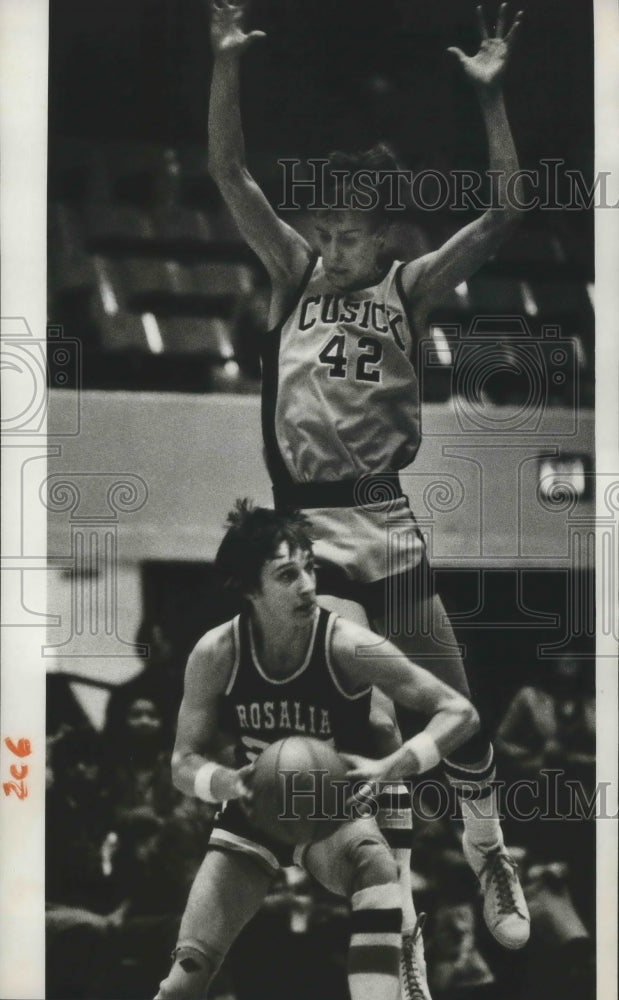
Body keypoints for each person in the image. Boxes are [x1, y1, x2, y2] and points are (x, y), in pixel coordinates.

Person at [207, 0, 530, 950]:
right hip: (307, 529)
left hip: (385, 519)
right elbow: (227, 170)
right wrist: (225, 64)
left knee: (453, 714)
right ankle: (401, 919)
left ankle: (488, 852)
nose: (334, 245)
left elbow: (508, 210)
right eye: (327, 230)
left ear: (384, 237)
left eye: (350, 234)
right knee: (373, 710)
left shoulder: (407, 286)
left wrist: (493, 99)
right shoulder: (290, 275)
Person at [155, 501, 479, 999]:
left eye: (310, 568)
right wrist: (225, 781)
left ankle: (403, 946)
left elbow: (460, 712)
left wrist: (393, 765)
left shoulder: (348, 643)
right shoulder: (216, 652)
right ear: (248, 588)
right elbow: (182, 762)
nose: (307, 585)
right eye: (287, 574)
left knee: (376, 863)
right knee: (184, 981)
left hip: (332, 811)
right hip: (253, 810)